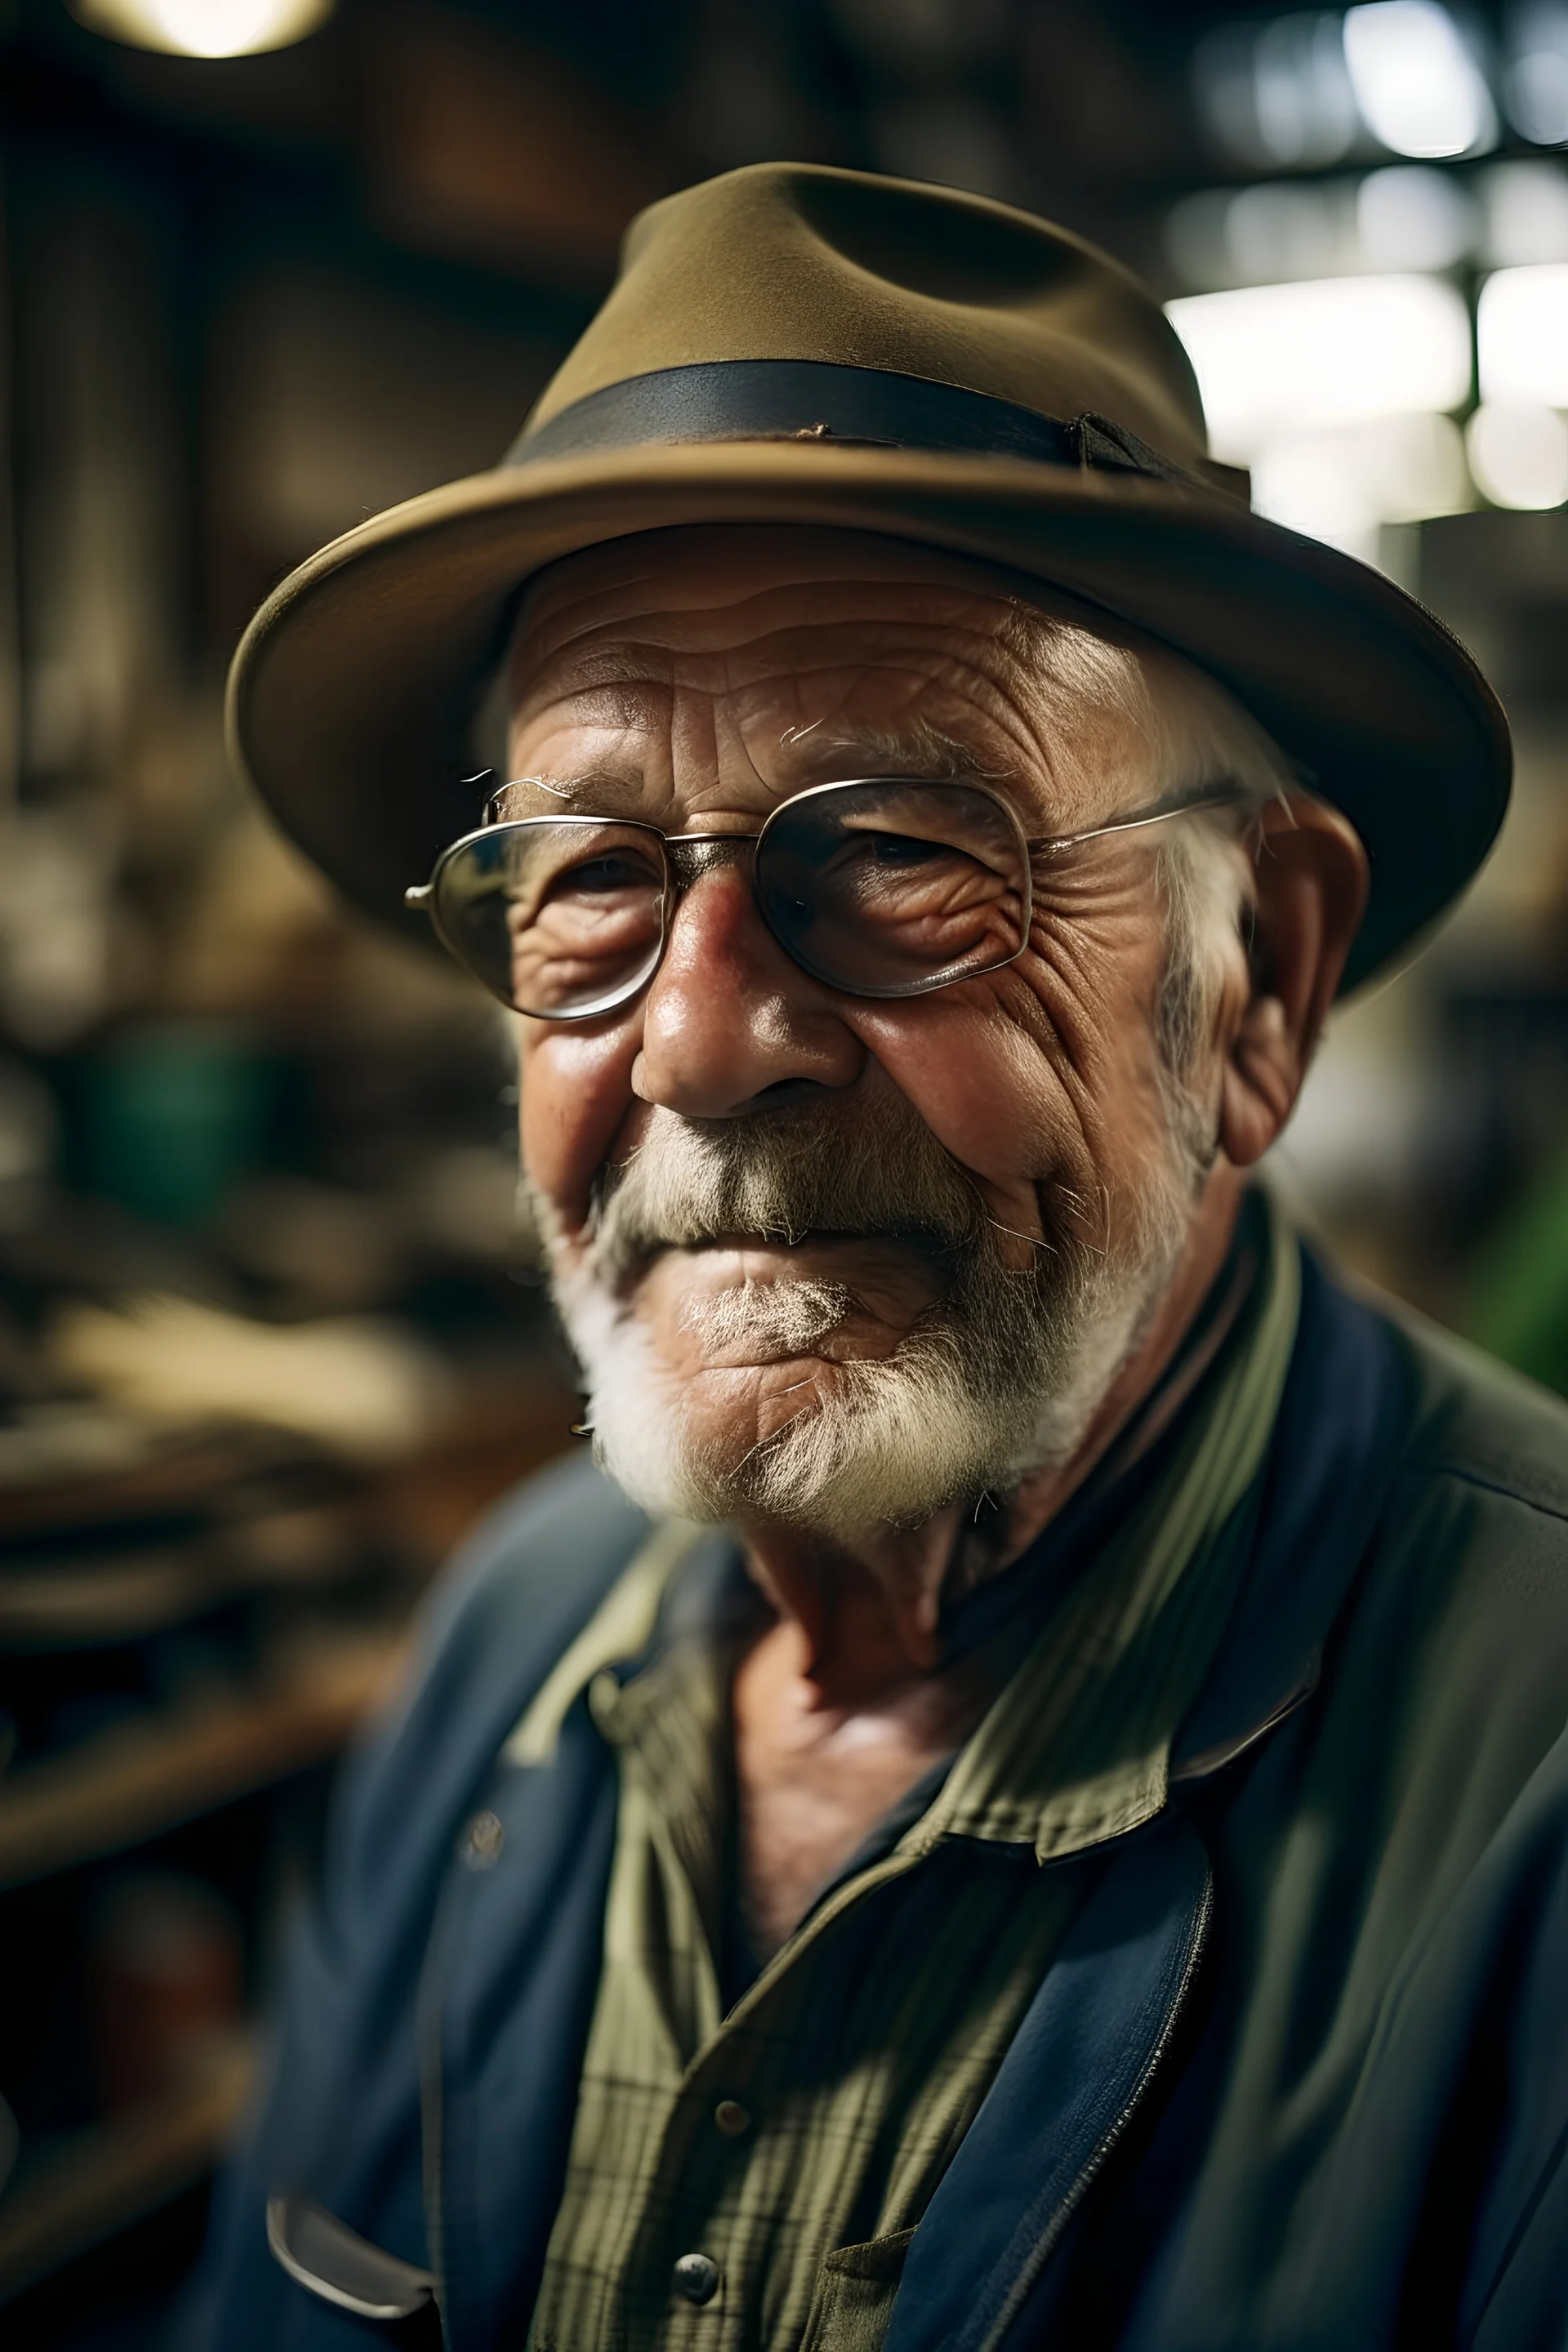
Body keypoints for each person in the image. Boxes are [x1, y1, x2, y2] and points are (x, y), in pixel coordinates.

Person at [197, 165, 1567, 2350]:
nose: (706, 1038)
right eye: (585, 882)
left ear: (1261, 985)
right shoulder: (511, 1652)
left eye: (908, 853)